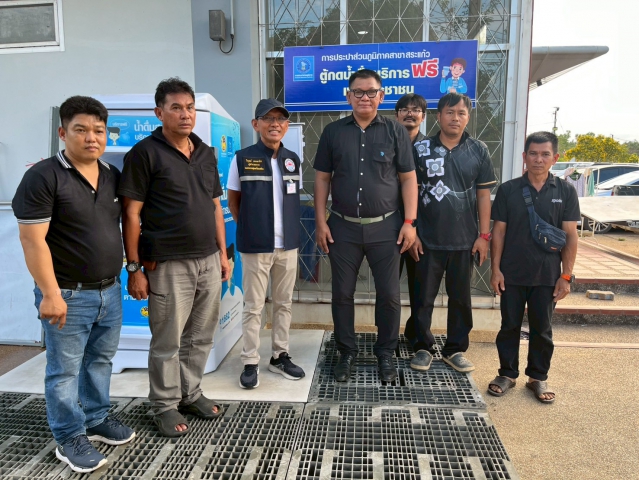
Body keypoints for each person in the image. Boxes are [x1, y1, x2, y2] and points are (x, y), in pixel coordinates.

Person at [12, 96, 135, 473]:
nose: (91, 137)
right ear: (63, 133)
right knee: (64, 371)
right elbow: (32, 240)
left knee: (100, 361)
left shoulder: (111, 174)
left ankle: (96, 418)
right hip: (66, 293)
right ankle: (69, 436)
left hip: (109, 290)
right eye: (81, 130)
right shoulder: (43, 176)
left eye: (99, 130)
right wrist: (50, 293)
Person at [118, 78, 229, 437]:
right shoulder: (144, 154)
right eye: (176, 107)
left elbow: (215, 207)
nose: (185, 114)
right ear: (159, 112)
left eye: (190, 107)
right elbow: (131, 214)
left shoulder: (206, 152)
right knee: (167, 340)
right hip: (167, 263)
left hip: (208, 259)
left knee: (201, 335)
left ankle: (190, 393)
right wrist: (134, 268)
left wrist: (222, 254)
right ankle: (164, 405)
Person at [314, 69, 418, 383]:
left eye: (371, 92)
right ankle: (346, 352)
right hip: (342, 228)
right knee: (342, 294)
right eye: (358, 92)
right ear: (348, 96)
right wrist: (321, 222)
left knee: (389, 295)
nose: (364, 97)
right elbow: (322, 179)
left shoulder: (395, 131)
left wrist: (410, 222)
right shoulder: (333, 132)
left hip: (386, 228)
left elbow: (408, 179)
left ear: (381, 96)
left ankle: (385, 353)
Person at [407, 92, 496, 373]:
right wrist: (412, 229)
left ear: (468, 117)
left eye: (461, 113)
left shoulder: (478, 150)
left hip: (464, 241)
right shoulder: (420, 149)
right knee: (422, 298)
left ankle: (455, 349)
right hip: (426, 239)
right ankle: (422, 347)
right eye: (449, 112)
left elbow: (484, 196)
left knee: (461, 300)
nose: (455, 118)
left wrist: (484, 236)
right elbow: (409, 190)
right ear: (438, 116)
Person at [488, 131, 579, 403]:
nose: (539, 159)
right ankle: (507, 374)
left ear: (555, 158)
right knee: (509, 326)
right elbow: (499, 232)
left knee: (543, 329)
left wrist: (566, 275)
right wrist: (495, 269)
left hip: (548, 275)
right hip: (512, 272)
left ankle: (537, 377)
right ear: (524, 156)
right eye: (533, 154)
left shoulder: (565, 191)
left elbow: (570, 235)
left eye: (545, 154)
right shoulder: (508, 190)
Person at [227, 98, 305, 389]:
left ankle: (279, 355)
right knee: (253, 306)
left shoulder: (292, 159)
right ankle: (250, 361)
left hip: (288, 245)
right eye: (268, 118)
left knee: (284, 303)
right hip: (256, 246)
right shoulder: (242, 158)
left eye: (280, 119)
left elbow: (292, 199)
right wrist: (252, 228)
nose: (275, 124)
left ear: (286, 125)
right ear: (255, 124)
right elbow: (234, 202)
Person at [394, 93, 428, 343]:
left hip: (420, 229)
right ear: (396, 115)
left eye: (415, 110)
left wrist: (415, 227)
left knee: (420, 287)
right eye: (404, 109)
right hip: (389, 226)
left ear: (423, 116)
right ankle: (387, 337)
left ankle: (415, 336)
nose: (410, 113)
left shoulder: (431, 149)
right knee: (388, 288)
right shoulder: (387, 143)